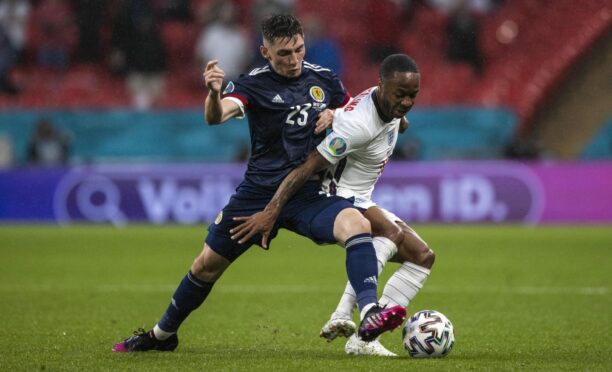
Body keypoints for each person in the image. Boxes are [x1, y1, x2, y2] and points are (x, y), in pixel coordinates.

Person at [112, 14, 406, 353]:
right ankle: (162, 335)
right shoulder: (252, 83)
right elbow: (216, 116)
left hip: (307, 193)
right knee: (206, 264)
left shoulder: (325, 80)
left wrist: (338, 114)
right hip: (258, 193)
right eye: (284, 54)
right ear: (265, 52)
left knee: (357, 224)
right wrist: (212, 93)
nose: (294, 60)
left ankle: (370, 311)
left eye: (298, 50)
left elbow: (361, 113)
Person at [230, 54, 435, 356]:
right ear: (382, 86)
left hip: (362, 194)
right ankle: (351, 320)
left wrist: (390, 117)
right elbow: (309, 166)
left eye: (412, 96)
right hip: (339, 194)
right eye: (400, 95)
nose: (406, 102)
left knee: (422, 256)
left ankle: (361, 338)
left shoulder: (384, 106)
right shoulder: (358, 125)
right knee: (389, 233)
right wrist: (273, 209)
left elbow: (382, 116)